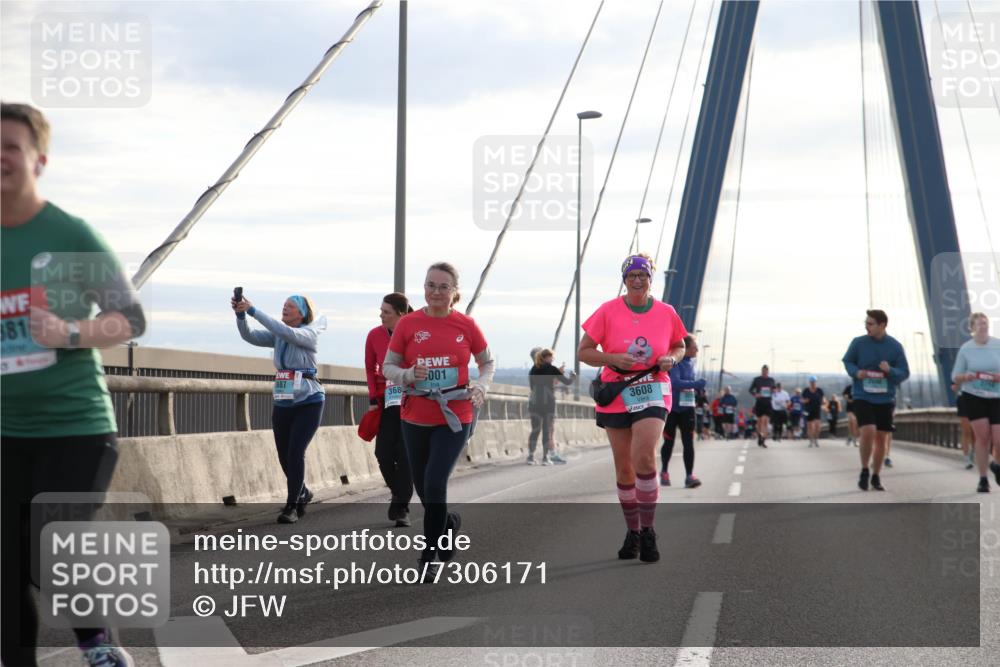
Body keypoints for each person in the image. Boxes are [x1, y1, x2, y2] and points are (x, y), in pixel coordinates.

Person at [2, 102, 145, 667]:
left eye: (11, 146)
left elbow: (130, 319)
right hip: (6, 430)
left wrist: (68, 330)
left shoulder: (69, 234)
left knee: (49, 549)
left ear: (38, 160)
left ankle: (99, 645)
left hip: (75, 427)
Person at [382, 262, 495, 576]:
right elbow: (387, 368)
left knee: (435, 483)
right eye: (430, 285)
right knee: (423, 488)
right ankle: (447, 524)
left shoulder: (466, 326)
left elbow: (488, 363)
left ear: (455, 292)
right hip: (415, 415)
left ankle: (428, 556)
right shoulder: (408, 324)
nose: (436, 292)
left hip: (454, 415)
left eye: (443, 286)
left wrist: (481, 387)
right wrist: (407, 374)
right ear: (424, 288)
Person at [579, 254, 686, 563]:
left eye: (643, 275)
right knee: (624, 467)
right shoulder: (607, 311)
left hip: (653, 386)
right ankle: (633, 531)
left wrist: (672, 358)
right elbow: (584, 352)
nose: (637, 280)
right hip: (616, 389)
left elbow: (680, 345)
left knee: (644, 458)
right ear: (623, 280)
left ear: (651, 278)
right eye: (631, 276)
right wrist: (611, 358)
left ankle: (649, 530)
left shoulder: (666, 312)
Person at [234, 292, 324, 524]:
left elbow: (285, 332)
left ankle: (292, 505)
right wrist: (241, 315)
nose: (284, 308)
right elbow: (249, 336)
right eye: (283, 304)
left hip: (309, 401)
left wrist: (253, 310)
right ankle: (302, 491)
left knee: (295, 452)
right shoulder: (279, 335)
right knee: (284, 454)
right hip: (283, 400)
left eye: (290, 306)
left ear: (302, 313)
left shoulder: (307, 333)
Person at [842, 309, 909, 492]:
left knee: (881, 438)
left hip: (885, 398)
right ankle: (865, 469)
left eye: (870, 323)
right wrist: (857, 372)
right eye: (866, 323)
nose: (867, 326)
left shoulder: (895, 347)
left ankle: (876, 476)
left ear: (882, 325)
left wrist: (890, 371)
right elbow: (847, 361)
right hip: (863, 395)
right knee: (868, 430)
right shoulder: (858, 343)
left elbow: (904, 373)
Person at [365, 292, 415, 527]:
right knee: (383, 454)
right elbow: (369, 367)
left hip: (412, 401)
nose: (381, 316)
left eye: (386, 312)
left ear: (401, 314)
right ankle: (399, 495)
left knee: (405, 456)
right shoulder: (374, 335)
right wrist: (373, 397)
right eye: (381, 311)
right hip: (386, 402)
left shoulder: (415, 334)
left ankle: (402, 507)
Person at [951, 312, 1000, 493]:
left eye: (985, 323)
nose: (983, 327)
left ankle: (996, 465)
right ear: (972, 328)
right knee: (983, 438)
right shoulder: (966, 349)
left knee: (998, 438)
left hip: (997, 396)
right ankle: (983, 479)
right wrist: (965, 377)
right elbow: (955, 375)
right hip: (974, 396)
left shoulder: (997, 345)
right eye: (979, 324)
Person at [661, 334, 707, 487]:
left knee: (689, 443)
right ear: (685, 348)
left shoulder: (691, 363)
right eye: (695, 347)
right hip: (673, 408)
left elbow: (689, 384)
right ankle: (664, 472)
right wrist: (696, 384)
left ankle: (689, 476)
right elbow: (674, 382)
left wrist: (699, 391)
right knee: (669, 441)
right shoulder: (675, 362)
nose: (697, 350)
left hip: (687, 407)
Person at [527, 348, 575, 465]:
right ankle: (545, 458)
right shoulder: (552, 369)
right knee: (546, 431)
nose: (553, 359)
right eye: (552, 357)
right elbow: (567, 382)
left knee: (535, 430)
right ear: (548, 357)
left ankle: (531, 456)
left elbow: (532, 387)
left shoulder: (533, 369)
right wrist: (573, 376)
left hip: (534, 402)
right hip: (548, 403)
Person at [749, 364, 776, 447]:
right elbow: (750, 390)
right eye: (763, 371)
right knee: (760, 422)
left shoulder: (771, 380)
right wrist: (755, 394)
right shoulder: (757, 379)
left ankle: (763, 439)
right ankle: (760, 436)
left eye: (766, 371)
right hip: (759, 403)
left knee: (765, 422)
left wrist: (774, 391)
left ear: (768, 371)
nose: (765, 372)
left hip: (768, 403)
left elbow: (774, 389)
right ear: (761, 371)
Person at [954, 384, 974, 469]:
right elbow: (954, 385)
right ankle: (967, 459)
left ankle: (973, 454)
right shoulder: (960, 370)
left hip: (981, 399)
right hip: (964, 399)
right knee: (966, 431)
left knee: (975, 433)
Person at [801, 376, 825, 447]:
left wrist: (823, 402)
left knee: (818, 426)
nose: (813, 383)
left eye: (814, 382)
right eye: (811, 382)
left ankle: (816, 439)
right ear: (809, 383)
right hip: (808, 410)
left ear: (816, 382)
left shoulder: (819, 390)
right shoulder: (806, 391)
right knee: (810, 426)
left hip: (817, 410)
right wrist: (805, 401)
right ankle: (811, 441)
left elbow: (823, 399)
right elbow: (801, 400)